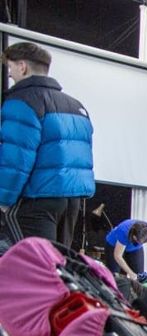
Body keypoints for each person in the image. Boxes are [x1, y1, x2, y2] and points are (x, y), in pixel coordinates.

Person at [0, 42, 94, 246]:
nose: (10, 75)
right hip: (70, 201)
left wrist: (4, 200)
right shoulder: (76, 105)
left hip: (36, 199)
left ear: (22, 66)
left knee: (32, 266)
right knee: (59, 267)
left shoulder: (22, 100)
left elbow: (16, 157)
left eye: (10, 68)